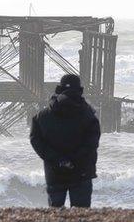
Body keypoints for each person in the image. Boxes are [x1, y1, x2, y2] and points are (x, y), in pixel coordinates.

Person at [30, 74, 101, 208]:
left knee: (55, 215)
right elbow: (92, 143)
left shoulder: (41, 117)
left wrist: (58, 160)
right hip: (82, 171)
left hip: (54, 171)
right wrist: (73, 160)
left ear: (58, 89)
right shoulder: (89, 116)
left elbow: (35, 140)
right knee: (81, 215)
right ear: (80, 90)